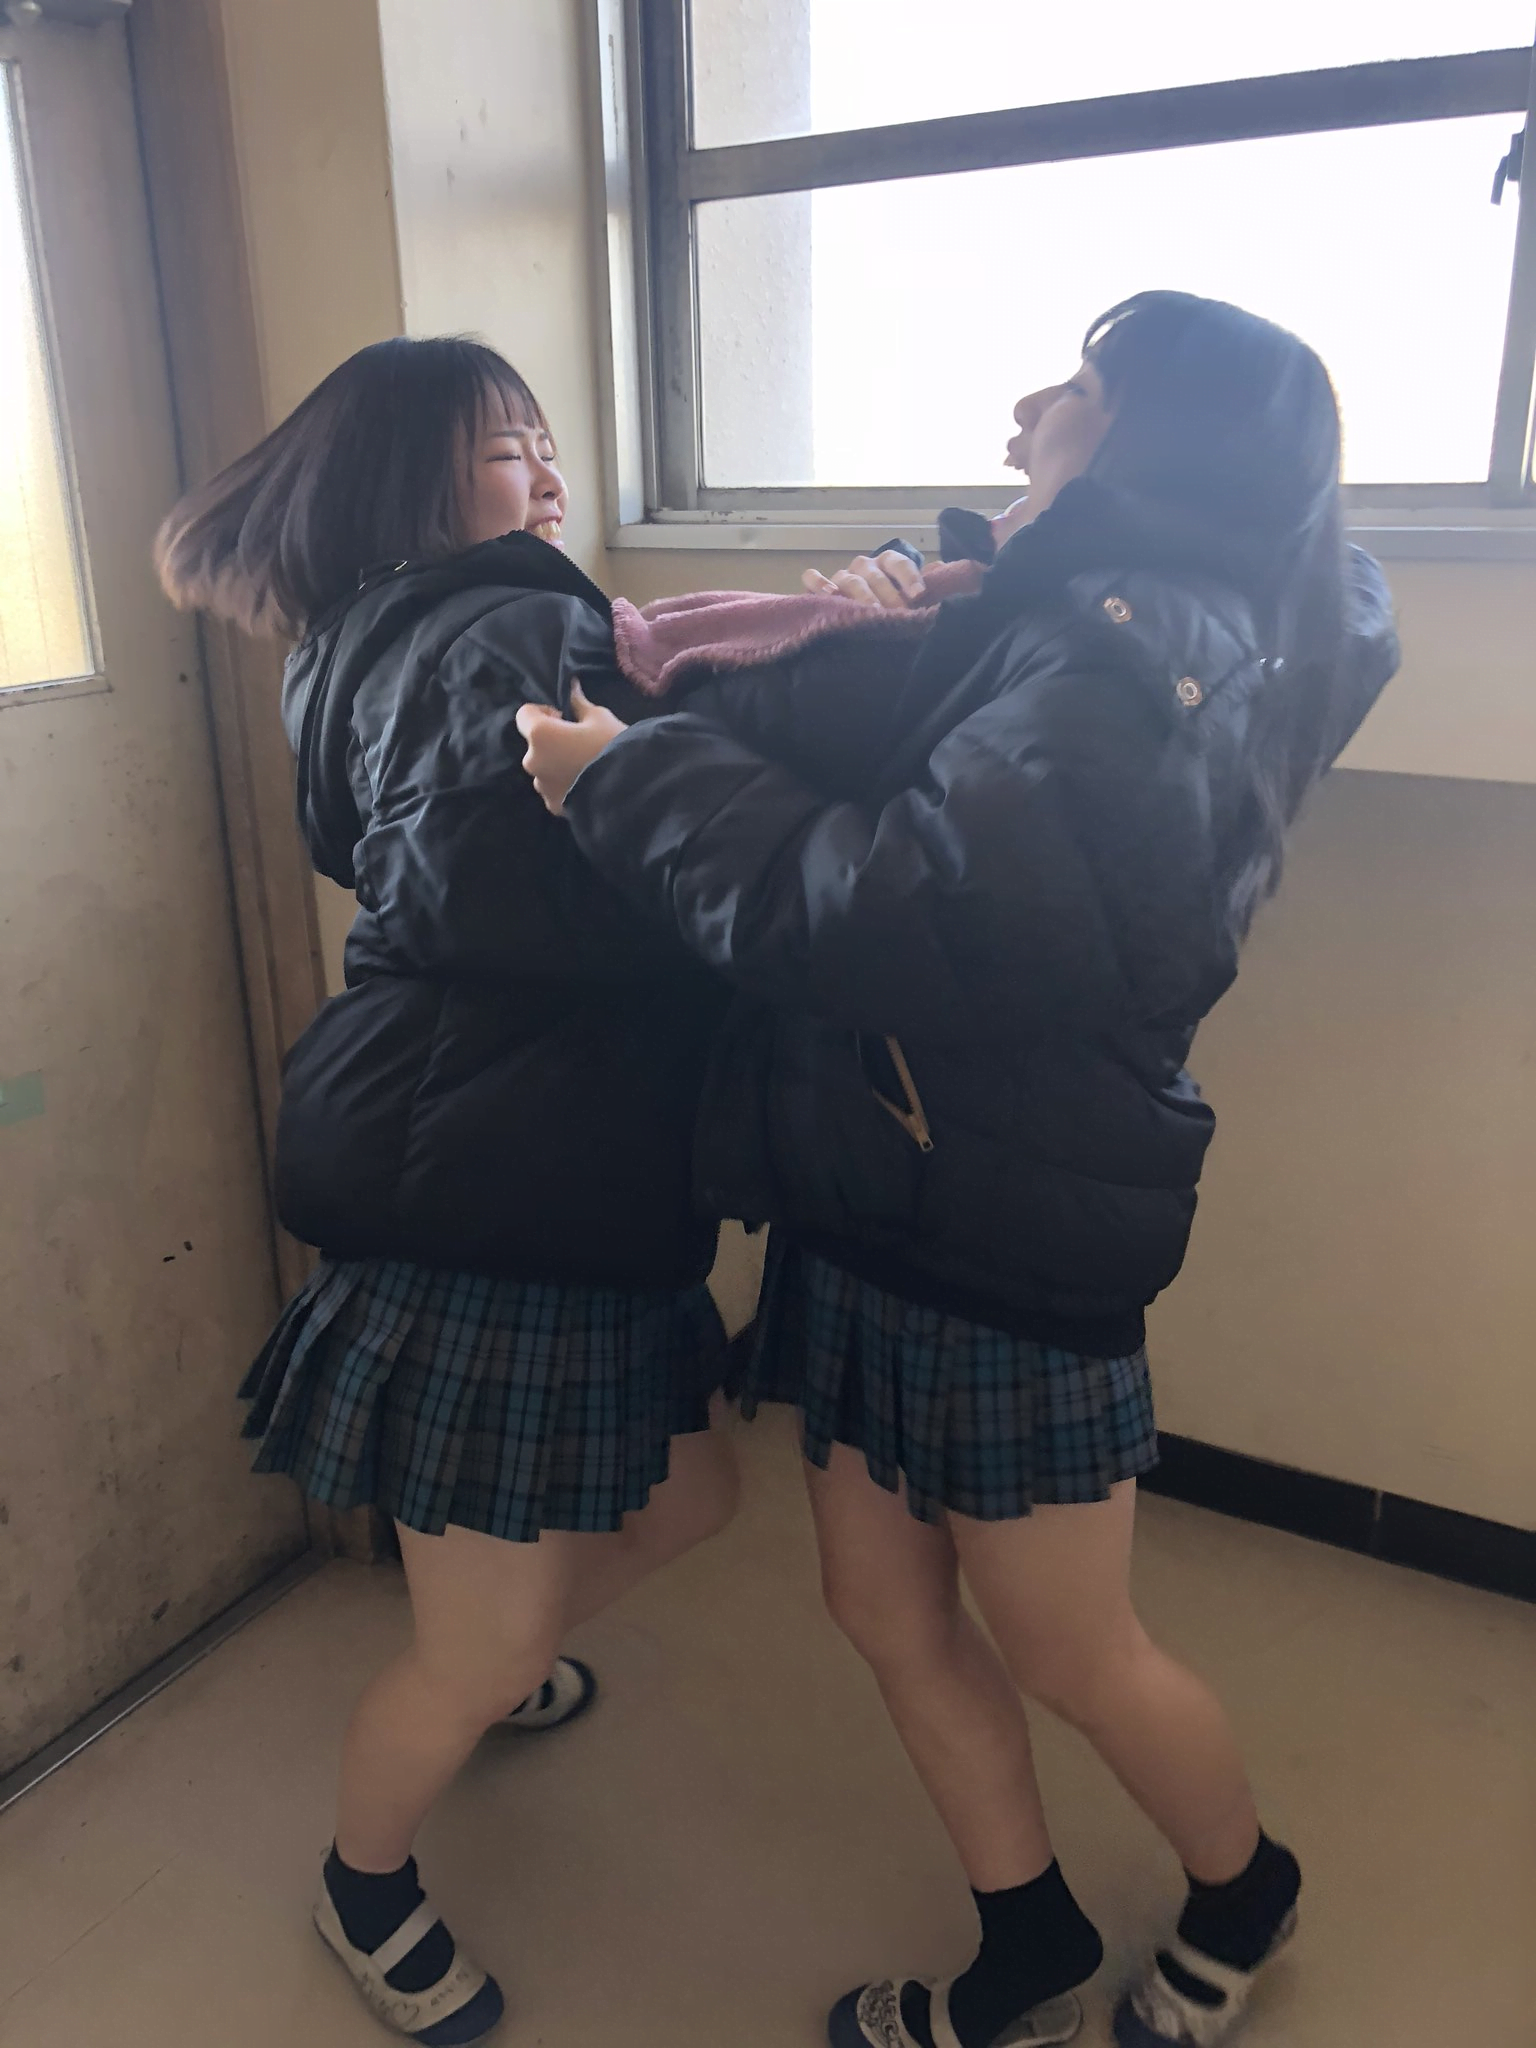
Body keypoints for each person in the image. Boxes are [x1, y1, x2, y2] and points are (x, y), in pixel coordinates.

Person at [518, 292, 1400, 2048]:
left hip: (1002, 1218)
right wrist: (929, 596)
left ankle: (1246, 1889)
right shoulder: (1109, 624)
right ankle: (1030, 1943)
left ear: (1156, 445)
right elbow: (925, 807)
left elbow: (892, 917)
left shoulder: (1124, 670)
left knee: (1071, 1646)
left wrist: (627, 782)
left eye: (1076, 388)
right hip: (886, 1179)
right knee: (878, 1601)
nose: (1024, 411)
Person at [155, 336, 738, 2047]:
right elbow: (522, 894)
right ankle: (366, 1883)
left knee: (695, 1493)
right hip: (493, 1170)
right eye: (505, 448)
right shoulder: (502, 628)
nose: (545, 471)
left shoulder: (387, 633)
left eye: (546, 440)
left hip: (521, 1151)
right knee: (489, 1633)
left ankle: (490, 1660)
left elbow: (422, 861)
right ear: (411, 482)